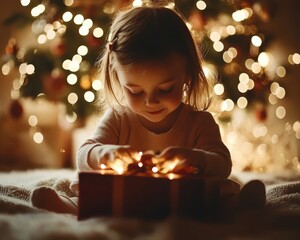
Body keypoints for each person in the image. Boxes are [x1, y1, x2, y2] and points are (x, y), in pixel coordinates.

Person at [31, 3, 266, 217]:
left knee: (220, 193)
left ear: (187, 74)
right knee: (90, 191)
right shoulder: (118, 118)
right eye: (135, 91)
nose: (150, 102)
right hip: (124, 198)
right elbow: (85, 155)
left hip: (185, 201)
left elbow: (222, 164)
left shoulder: (199, 122)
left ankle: (239, 206)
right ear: (117, 76)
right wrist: (105, 154)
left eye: (165, 89)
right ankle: (67, 205)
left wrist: (196, 159)